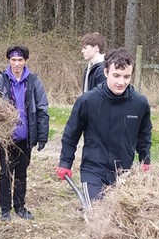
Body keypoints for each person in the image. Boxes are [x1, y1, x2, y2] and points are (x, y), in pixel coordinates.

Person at [56, 47, 152, 202]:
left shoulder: (139, 103)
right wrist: (65, 162)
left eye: (126, 77)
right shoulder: (88, 101)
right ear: (106, 72)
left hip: (123, 172)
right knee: (96, 213)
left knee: (118, 220)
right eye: (116, 75)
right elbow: (71, 134)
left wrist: (145, 160)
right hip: (93, 170)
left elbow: (144, 134)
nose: (121, 82)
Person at [0, 45, 50, 222]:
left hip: (25, 137)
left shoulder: (33, 81)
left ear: (25, 61)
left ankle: (20, 206)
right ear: (9, 60)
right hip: (6, 137)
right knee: (5, 173)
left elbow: (42, 108)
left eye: (20, 60)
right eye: (13, 60)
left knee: (21, 172)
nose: (16, 63)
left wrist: (42, 135)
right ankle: (5, 209)